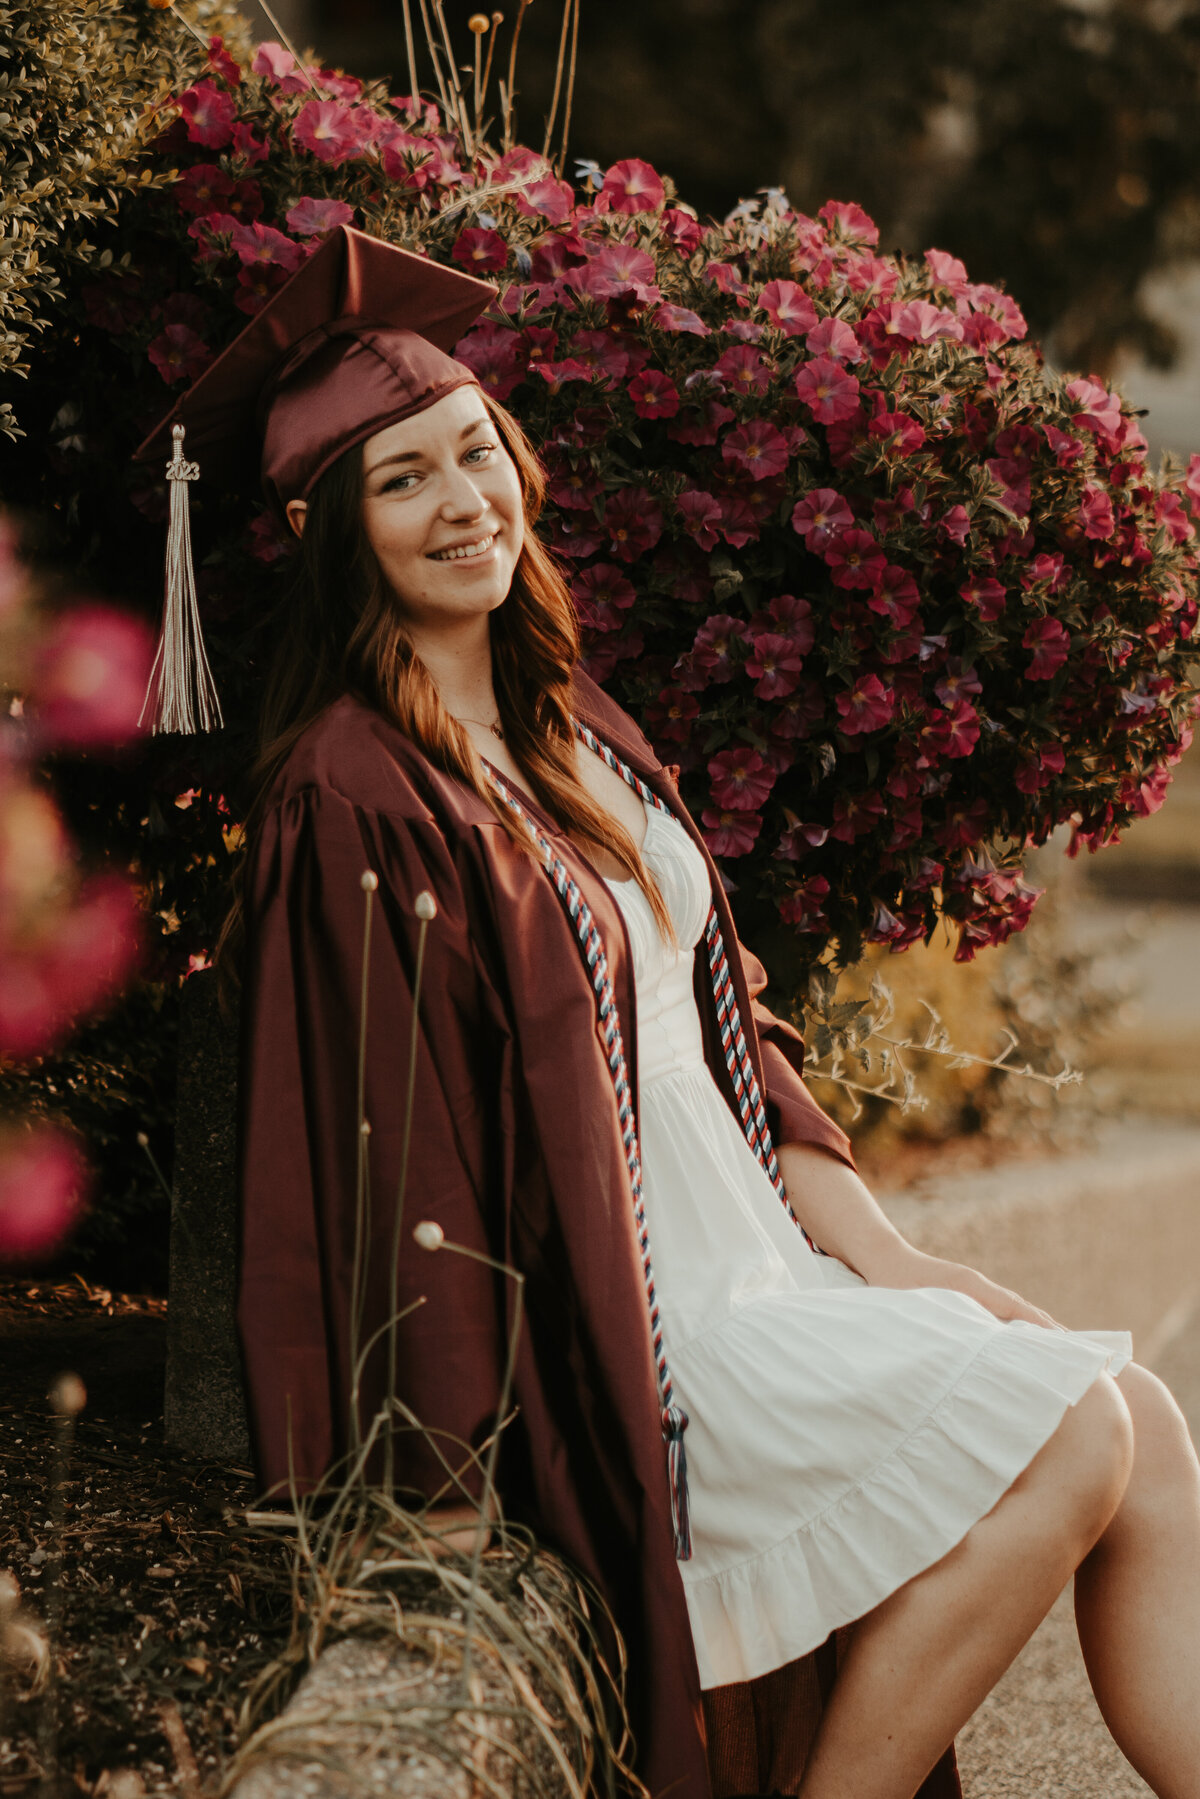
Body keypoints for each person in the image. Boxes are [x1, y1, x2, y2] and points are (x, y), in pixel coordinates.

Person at [138, 227, 1200, 1799]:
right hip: (636, 1345)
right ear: (342, 535)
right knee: (1072, 1440)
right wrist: (436, 1489)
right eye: (405, 479)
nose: (464, 503)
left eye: (477, 453)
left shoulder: (575, 729)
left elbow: (726, 1038)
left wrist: (899, 1260)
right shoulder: (351, 791)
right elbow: (390, 1143)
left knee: (1146, 1426)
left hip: (761, 1276)